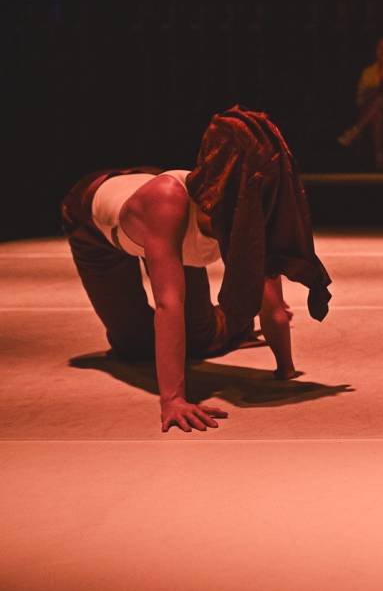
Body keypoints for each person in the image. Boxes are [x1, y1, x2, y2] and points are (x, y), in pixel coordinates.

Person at [61, 107, 333, 433]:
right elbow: (168, 303)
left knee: (201, 339)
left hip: (159, 209)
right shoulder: (168, 206)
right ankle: (227, 324)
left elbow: (274, 306)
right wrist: (173, 399)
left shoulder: (250, 212)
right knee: (134, 346)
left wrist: (284, 370)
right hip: (98, 228)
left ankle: (233, 324)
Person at [338, 37, 383, 170]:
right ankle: (380, 157)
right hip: (371, 113)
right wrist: (379, 90)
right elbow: (360, 99)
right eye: (380, 48)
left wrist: (380, 87)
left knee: (380, 100)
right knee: (377, 113)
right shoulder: (368, 72)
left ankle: (355, 131)